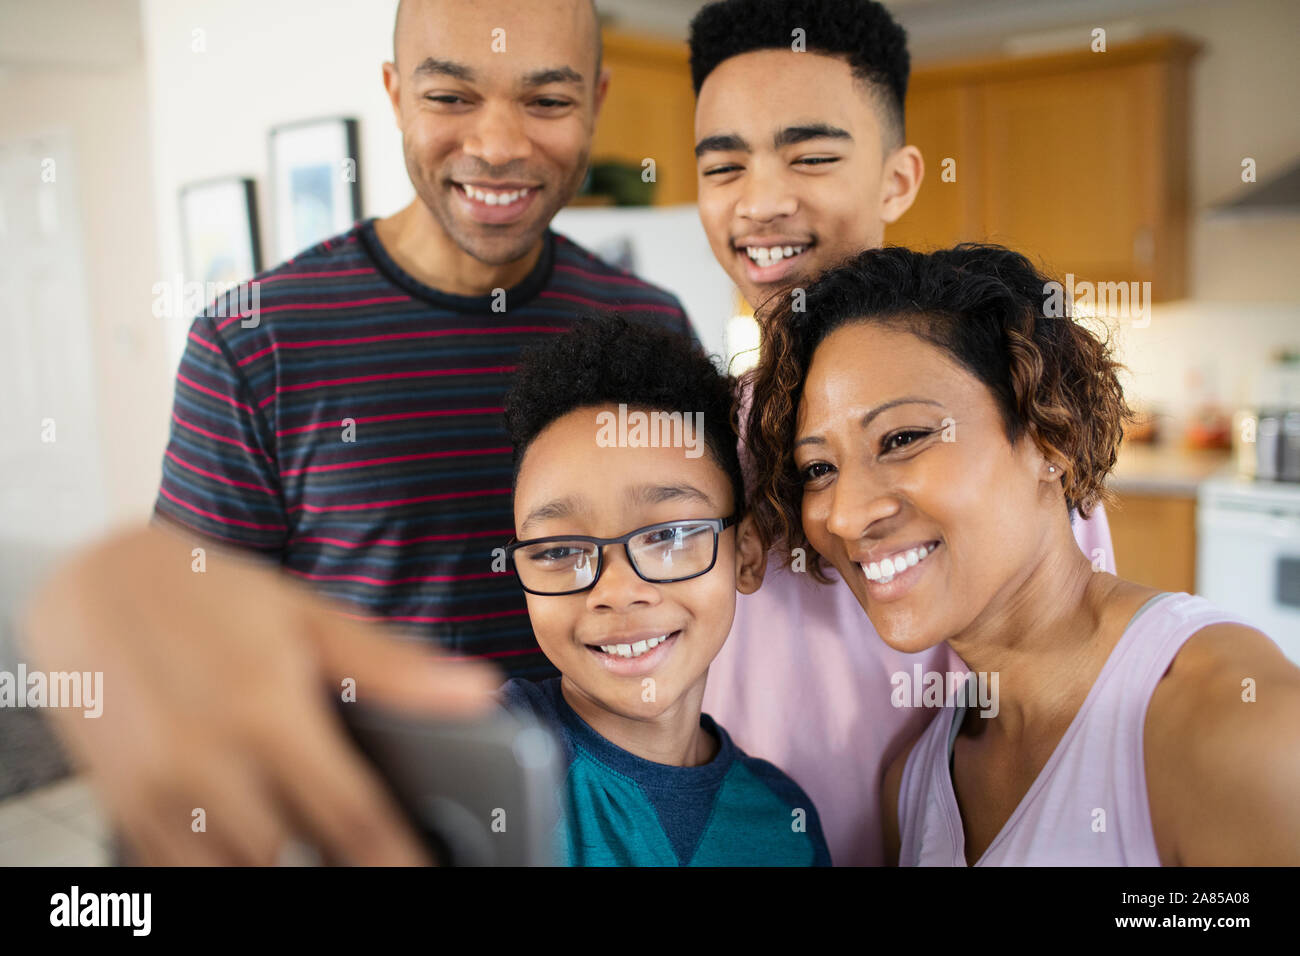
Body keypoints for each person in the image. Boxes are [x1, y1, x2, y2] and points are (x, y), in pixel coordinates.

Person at [20, 0, 692, 865]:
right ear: (394, 92)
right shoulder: (252, 341)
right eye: (450, 98)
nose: (497, 144)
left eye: (547, 102)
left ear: (597, 100)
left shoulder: (649, 324)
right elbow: (201, 653)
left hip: (635, 832)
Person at [687, 0, 1115, 864]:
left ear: (898, 179)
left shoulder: (1005, 430)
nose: (762, 202)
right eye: (723, 167)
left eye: (810, 156)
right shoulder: (693, 444)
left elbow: (1072, 727)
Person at [743, 243, 1300, 866]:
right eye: (818, 468)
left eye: (902, 438)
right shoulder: (917, 788)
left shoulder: (1231, 729)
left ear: (1048, 436)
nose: (845, 515)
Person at [497, 317, 829, 865]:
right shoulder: (486, 760)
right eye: (559, 550)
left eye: (669, 535)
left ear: (745, 554)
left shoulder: (783, 821)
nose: (618, 591)